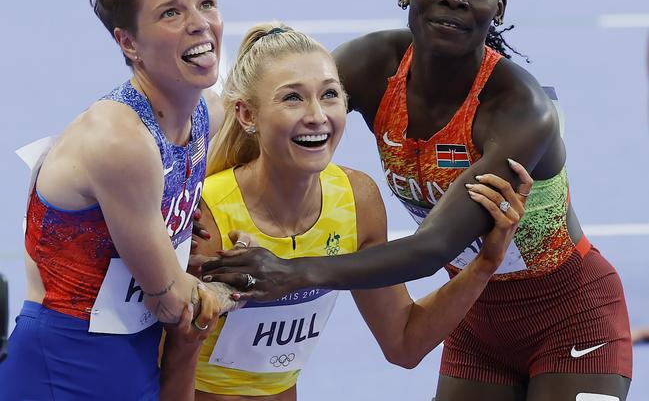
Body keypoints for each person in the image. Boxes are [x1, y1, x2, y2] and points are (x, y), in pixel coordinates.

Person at [202, 0, 632, 400]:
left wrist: (294, 270)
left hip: (570, 316)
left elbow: (433, 249)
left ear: (500, 6)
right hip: (474, 317)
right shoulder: (371, 65)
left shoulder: (518, 110)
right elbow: (280, 108)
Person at [191, 22, 531, 400]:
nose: (317, 115)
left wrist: (485, 263)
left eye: (330, 95)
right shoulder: (207, 213)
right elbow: (159, 354)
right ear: (246, 115)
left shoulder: (355, 200)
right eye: (292, 98)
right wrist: (219, 298)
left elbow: (404, 341)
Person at [0, 0, 239, 401]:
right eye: (171, 12)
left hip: (137, 351)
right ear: (128, 42)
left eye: (206, 4)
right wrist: (258, 281)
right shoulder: (119, 139)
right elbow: (171, 299)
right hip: (65, 362)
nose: (200, 24)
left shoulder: (206, 112)